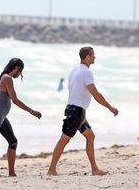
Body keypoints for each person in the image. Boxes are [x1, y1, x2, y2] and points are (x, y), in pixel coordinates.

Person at [47, 46, 119, 176]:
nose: (95, 57)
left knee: (90, 136)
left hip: (75, 110)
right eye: (93, 55)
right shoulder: (86, 72)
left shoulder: (74, 71)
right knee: (63, 140)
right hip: (76, 111)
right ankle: (51, 170)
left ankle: (94, 169)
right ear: (87, 57)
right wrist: (110, 107)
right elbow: (96, 94)